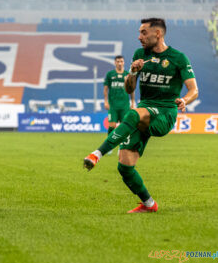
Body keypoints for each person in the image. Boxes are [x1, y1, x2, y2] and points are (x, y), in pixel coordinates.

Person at [83, 18, 199, 213]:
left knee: (133, 113)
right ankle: (148, 203)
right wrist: (133, 72)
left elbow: (194, 90)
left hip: (164, 114)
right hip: (143, 111)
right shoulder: (139, 55)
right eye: (139, 32)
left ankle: (97, 154)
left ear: (158, 34)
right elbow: (130, 88)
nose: (139, 37)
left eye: (144, 32)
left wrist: (185, 101)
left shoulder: (178, 58)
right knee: (125, 167)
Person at [103, 55, 135, 150]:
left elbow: (131, 89)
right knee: (112, 126)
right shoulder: (110, 74)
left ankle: (123, 146)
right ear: (115, 63)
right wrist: (105, 102)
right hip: (113, 105)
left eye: (121, 61)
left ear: (124, 62)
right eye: (118, 61)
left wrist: (132, 102)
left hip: (124, 105)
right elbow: (105, 89)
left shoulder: (127, 74)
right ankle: (109, 145)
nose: (120, 63)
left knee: (123, 127)